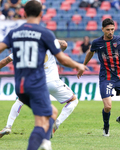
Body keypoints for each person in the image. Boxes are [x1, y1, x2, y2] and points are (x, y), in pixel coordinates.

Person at [0, 1, 87, 150]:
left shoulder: (15, 33)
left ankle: (44, 141)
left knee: (45, 111)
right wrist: (78, 65)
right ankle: (44, 141)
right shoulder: (45, 35)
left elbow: (5, 56)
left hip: (21, 85)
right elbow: (62, 58)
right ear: (41, 14)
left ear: (24, 14)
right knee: (48, 118)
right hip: (38, 83)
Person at [0, 40, 79, 139]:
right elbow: (64, 44)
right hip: (52, 82)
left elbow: (4, 61)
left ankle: (8, 126)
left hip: (36, 83)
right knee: (73, 100)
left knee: (20, 100)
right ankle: (56, 124)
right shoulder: (46, 43)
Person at [77, 18, 120, 137]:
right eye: (108, 30)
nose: (111, 32)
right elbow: (90, 52)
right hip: (106, 78)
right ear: (103, 29)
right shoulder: (97, 43)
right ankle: (106, 127)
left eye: (112, 29)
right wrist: (83, 65)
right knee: (108, 106)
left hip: (119, 77)